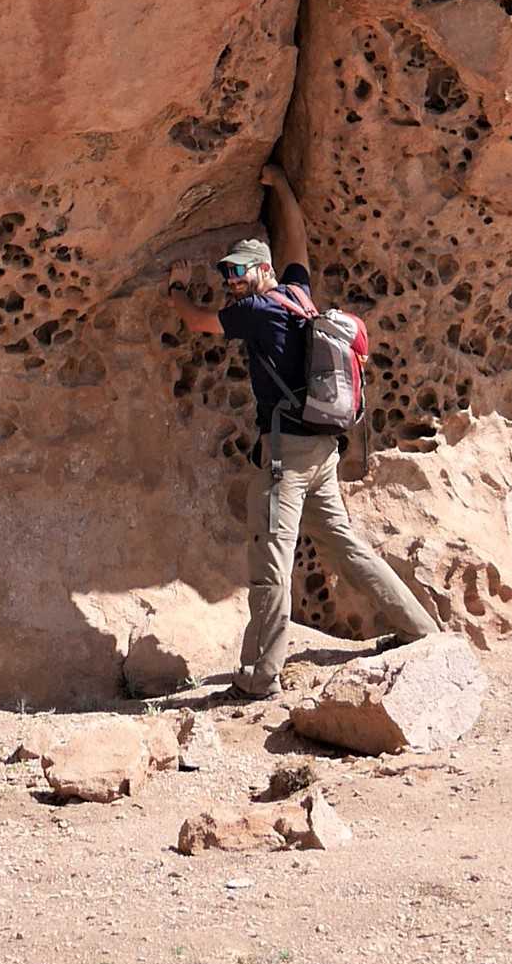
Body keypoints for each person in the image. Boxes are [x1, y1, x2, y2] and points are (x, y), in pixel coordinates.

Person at [168, 159, 433, 699]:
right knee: (348, 547)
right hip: (322, 452)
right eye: (226, 275)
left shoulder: (259, 310)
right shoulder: (298, 294)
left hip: (286, 459)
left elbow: (197, 321)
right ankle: (419, 629)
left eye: (237, 272)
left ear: (261, 270)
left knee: (271, 562)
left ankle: (260, 676)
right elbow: (298, 244)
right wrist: (282, 187)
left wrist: (176, 290)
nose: (230, 282)